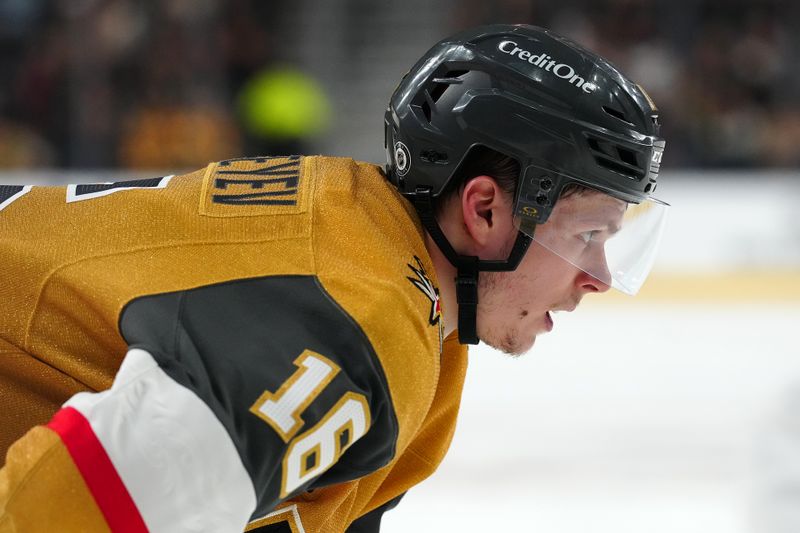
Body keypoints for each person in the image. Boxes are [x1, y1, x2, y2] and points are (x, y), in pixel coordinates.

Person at [0, 24, 667, 532]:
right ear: (486, 209)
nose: (598, 278)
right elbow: (70, 506)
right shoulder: (353, 324)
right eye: (588, 235)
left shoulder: (369, 249)